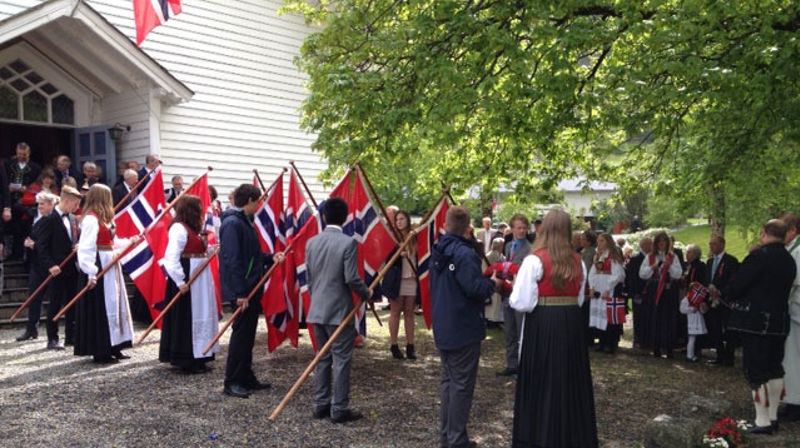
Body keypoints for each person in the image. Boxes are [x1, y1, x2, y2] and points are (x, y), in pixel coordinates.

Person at [510, 208, 598, 448]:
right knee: (570, 381)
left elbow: (521, 302)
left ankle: (539, 437)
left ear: (545, 229)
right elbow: (579, 299)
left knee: (542, 380)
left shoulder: (534, 260)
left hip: (543, 325)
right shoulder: (578, 260)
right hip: (571, 325)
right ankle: (570, 437)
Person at [430, 206, 500, 448]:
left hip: (444, 323)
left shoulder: (439, 250)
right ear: (468, 227)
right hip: (462, 325)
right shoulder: (463, 253)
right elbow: (473, 288)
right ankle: (456, 439)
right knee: (460, 385)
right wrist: (492, 283)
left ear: (445, 225)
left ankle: (448, 436)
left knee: (449, 382)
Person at [725, 219, 796, 434]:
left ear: (764, 232)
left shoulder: (759, 256)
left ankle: (762, 420)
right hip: (780, 321)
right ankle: (772, 416)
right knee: (775, 369)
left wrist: (728, 293)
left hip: (756, 322)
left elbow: (737, 285)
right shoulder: (789, 259)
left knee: (755, 371)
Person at [306, 197, 372, 423]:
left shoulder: (312, 242)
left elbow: (309, 278)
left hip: (317, 308)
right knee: (342, 359)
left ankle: (320, 404)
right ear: (345, 218)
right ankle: (339, 408)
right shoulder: (347, 243)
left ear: (324, 216)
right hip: (338, 311)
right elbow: (351, 278)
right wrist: (366, 293)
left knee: (322, 358)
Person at [219, 184, 282, 398]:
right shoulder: (232, 223)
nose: (258, 206)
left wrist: (270, 257)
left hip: (252, 286)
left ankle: (245, 376)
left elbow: (251, 255)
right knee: (240, 337)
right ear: (249, 201)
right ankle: (232, 381)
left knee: (248, 337)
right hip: (243, 289)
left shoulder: (244, 221)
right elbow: (233, 259)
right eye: (257, 202)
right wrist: (239, 292)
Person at [74, 184, 139, 363]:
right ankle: (101, 349)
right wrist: (91, 272)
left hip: (110, 264)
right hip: (100, 265)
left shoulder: (105, 219)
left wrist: (130, 241)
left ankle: (115, 345)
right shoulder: (91, 219)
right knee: (102, 307)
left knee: (115, 304)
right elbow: (86, 248)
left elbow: (112, 242)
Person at [159, 194, 219, 373]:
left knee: (202, 313)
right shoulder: (179, 228)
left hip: (200, 280)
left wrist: (210, 250)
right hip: (187, 279)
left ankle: (201, 355)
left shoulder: (193, 229)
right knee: (187, 317)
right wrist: (180, 280)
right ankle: (187, 358)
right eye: (199, 209)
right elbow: (171, 257)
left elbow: (197, 250)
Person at [35, 186, 81, 349]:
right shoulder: (49, 218)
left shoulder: (73, 218)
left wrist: (78, 246)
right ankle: (52, 338)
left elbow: (75, 239)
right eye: (75, 204)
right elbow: (41, 246)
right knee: (55, 303)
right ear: (66, 200)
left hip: (72, 267)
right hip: (56, 269)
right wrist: (51, 265)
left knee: (72, 303)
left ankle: (71, 336)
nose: (77, 207)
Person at [15, 191, 58, 342]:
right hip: (36, 263)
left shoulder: (55, 218)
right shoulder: (33, 217)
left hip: (52, 264)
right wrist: (28, 243)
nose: (39, 206)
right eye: (38, 203)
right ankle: (31, 328)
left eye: (42, 204)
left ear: (51, 204)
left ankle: (53, 334)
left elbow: (55, 242)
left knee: (54, 299)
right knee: (34, 296)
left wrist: (36, 245)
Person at [380, 210, 419, 360]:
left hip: (411, 278)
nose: (399, 222)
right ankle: (394, 345)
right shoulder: (393, 238)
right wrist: (398, 253)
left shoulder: (414, 237)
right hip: (397, 279)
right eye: (397, 220)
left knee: (409, 312)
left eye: (402, 219)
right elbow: (387, 259)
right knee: (395, 311)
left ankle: (410, 346)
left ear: (407, 220)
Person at [497, 213, 531, 377]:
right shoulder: (509, 245)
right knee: (509, 330)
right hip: (507, 292)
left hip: (521, 293)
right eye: (519, 228)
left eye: (524, 228)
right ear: (512, 228)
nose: (522, 231)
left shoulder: (530, 248)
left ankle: (523, 366)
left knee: (521, 331)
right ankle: (511, 364)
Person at [639, 231, 683, 358]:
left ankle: (669, 347)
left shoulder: (673, 257)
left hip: (668, 290)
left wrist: (669, 267)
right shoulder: (650, 257)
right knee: (655, 318)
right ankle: (656, 346)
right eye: (659, 241)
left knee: (669, 319)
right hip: (654, 290)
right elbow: (642, 274)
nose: (661, 243)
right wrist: (652, 267)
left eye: (664, 241)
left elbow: (678, 274)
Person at [588, 233, 626, 353]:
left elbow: (618, 274)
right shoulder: (597, 256)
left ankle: (610, 343)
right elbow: (592, 273)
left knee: (608, 316)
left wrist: (608, 288)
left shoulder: (612, 257)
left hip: (608, 290)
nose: (599, 243)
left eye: (602, 241)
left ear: (608, 242)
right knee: (600, 316)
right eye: (598, 241)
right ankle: (602, 340)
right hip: (598, 289)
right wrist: (591, 287)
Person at [706, 235, 740, 366]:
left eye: (714, 244)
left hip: (725, 300)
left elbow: (733, 281)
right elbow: (707, 279)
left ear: (722, 245)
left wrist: (721, 292)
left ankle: (729, 357)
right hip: (712, 299)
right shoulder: (710, 262)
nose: (711, 246)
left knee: (728, 329)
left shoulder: (731, 261)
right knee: (715, 328)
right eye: (710, 244)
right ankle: (719, 355)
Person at [779, 212, 800, 422]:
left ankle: (795, 403)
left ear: (793, 230)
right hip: (793, 311)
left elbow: (793, 280)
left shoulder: (798, 250)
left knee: (794, 360)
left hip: (796, 310)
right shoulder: (792, 249)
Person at [5, 142, 41, 260]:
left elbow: (37, 185)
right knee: (12, 228)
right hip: (10, 200)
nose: (21, 156)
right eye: (19, 154)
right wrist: (8, 187)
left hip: (26, 203)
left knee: (26, 229)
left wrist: (27, 188)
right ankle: (13, 254)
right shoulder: (8, 164)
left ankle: (27, 256)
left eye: (24, 154)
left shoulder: (35, 167)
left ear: (28, 154)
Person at [628, 237, 652, 348]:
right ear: (643, 245)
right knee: (638, 316)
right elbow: (632, 277)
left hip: (649, 292)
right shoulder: (636, 258)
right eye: (650, 244)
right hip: (639, 292)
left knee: (647, 316)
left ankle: (647, 339)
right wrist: (635, 292)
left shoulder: (651, 257)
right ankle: (638, 339)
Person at [484, 238, 506, 326]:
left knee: (495, 301)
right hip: (493, 279)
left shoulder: (497, 255)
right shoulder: (493, 255)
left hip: (495, 280)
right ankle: (492, 320)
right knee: (494, 300)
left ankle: (494, 319)